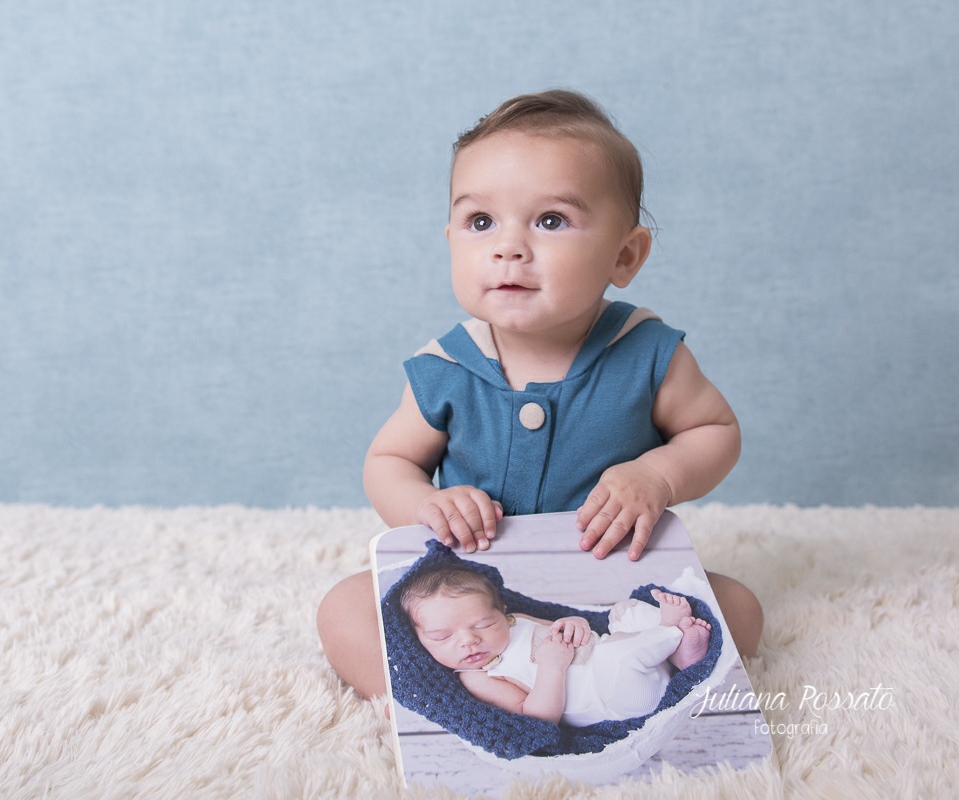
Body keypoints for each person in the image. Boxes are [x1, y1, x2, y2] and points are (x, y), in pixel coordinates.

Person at [317, 89, 763, 701]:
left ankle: (623, 689)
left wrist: (657, 475)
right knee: (344, 609)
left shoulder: (646, 353)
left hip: (610, 587)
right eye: (481, 222)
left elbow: (714, 432)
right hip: (473, 600)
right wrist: (429, 507)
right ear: (451, 240)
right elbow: (389, 461)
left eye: (551, 221)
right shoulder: (446, 367)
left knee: (738, 609)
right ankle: (437, 705)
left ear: (624, 255)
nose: (508, 247)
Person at [398, 563, 711, 726]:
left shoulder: (517, 620)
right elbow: (537, 717)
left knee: (622, 612)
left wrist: (575, 622)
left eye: (483, 624)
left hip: (621, 652)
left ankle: (678, 654)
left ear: (502, 612)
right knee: (616, 658)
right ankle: (671, 633)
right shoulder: (478, 677)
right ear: (420, 640)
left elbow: (564, 626)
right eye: (443, 637)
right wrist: (552, 667)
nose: (469, 640)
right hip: (617, 698)